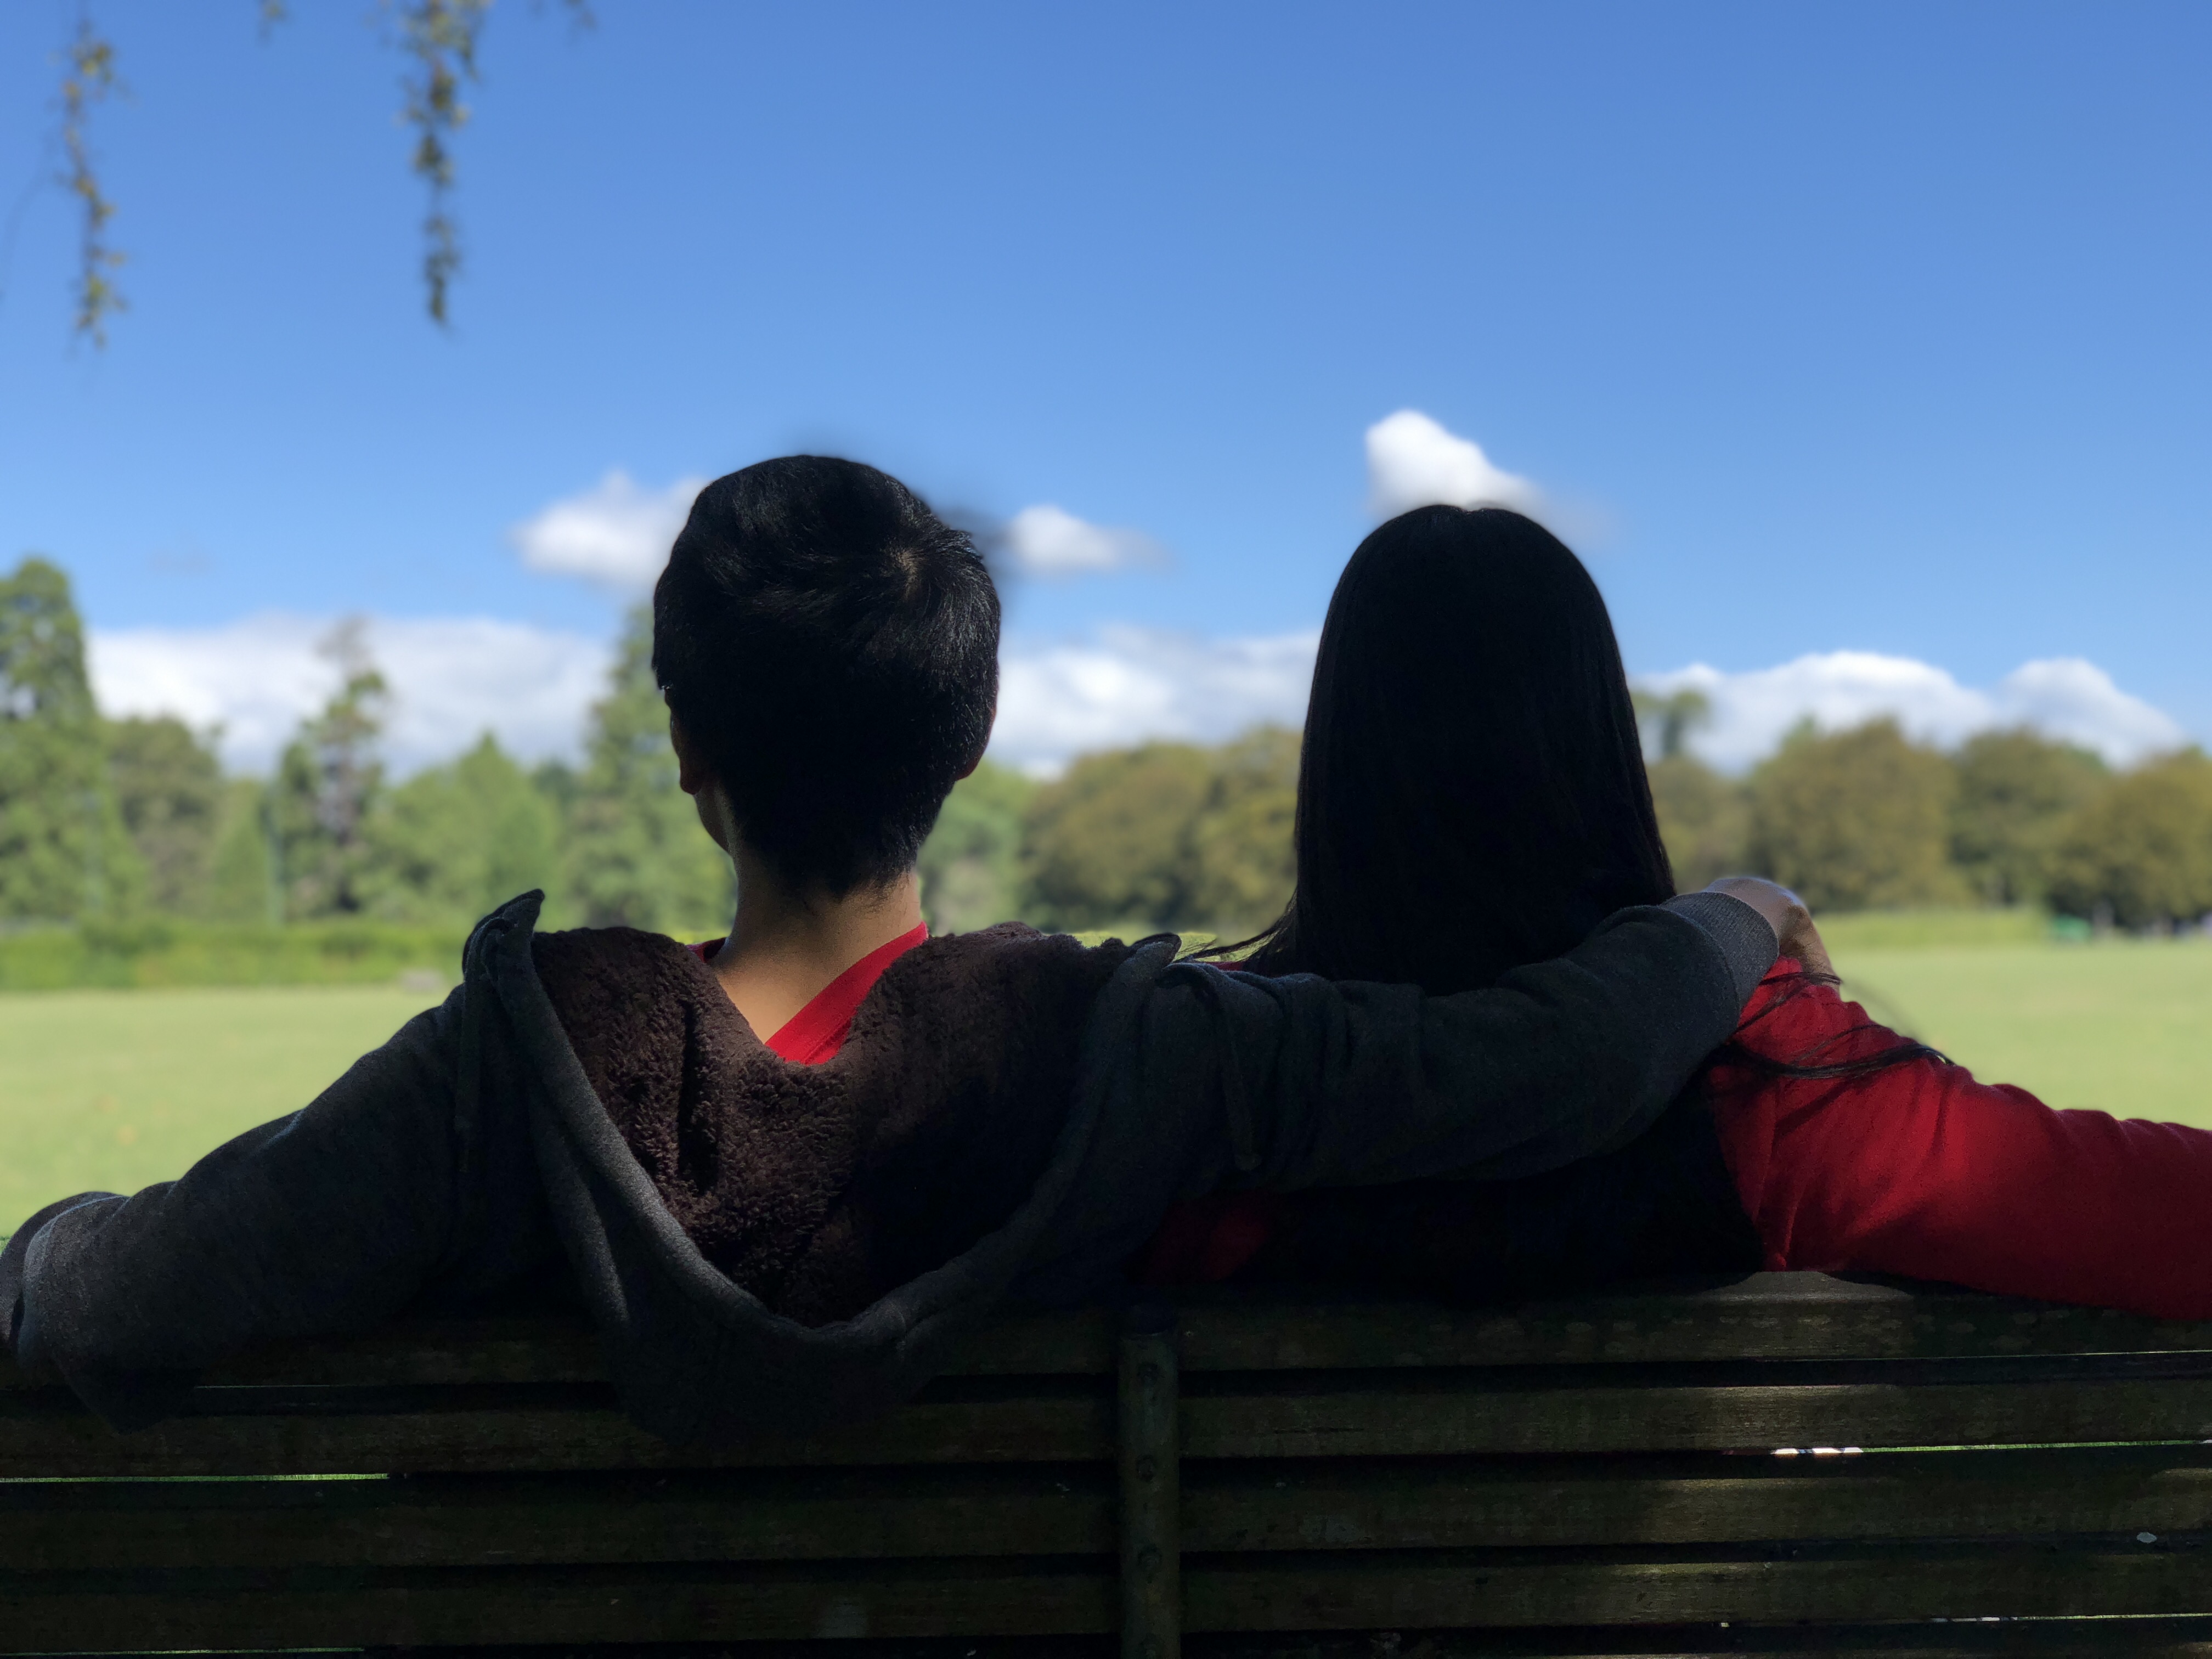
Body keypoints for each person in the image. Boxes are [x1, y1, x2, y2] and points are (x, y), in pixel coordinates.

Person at [1, 458, 1803, 1444]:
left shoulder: (507, 1080)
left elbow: (136, 1294)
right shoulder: (1146, 1056)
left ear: (687, 752)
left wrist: (44, 1248)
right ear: (969, 737)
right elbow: (1553, 1063)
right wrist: (1731, 914)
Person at [1139, 505, 2212, 1323]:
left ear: (1337, 766)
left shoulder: (1186, 1081)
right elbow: (2165, 1218)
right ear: (1604, 749)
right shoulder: (1773, 1087)